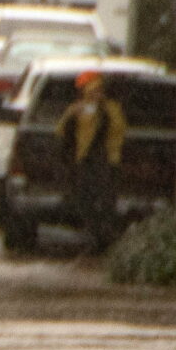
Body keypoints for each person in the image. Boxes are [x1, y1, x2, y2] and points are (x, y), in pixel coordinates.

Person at [57, 69, 129, 252]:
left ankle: (103, 237)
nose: (96, 95)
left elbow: (118, 131)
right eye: (91, 91)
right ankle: (93, 234)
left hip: (106, 161)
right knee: (85, 200)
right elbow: (61, 132)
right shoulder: (76, 109)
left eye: (98, 90)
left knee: (105, 201)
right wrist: (74, 115)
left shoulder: (111, 109)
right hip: (84, 161)